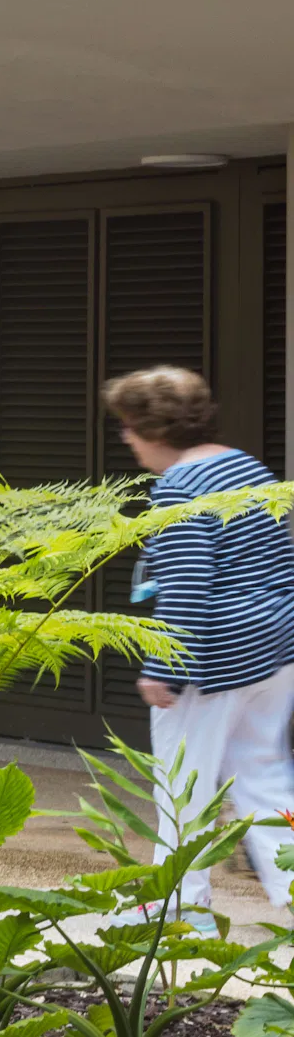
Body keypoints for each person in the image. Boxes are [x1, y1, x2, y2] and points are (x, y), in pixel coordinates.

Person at [109, 366, 294, 914]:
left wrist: (160, 668)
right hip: (276, 650)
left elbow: (188, 588)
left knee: (182, 789)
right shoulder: (249, 468)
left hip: (214, 662)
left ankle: (177, 909)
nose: (124, 438)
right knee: (266, 777)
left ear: (154, 430)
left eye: (127, 425)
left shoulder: (180, 489)